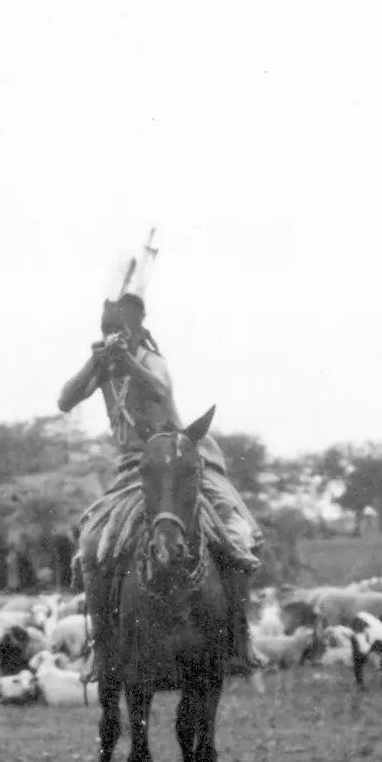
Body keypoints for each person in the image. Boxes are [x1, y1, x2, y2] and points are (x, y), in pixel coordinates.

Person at [58, 279, 263, 660]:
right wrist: (94, 362)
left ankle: (239, 637)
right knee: (90, 545)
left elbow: (160, 391)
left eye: (119, 329)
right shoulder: (104, 368)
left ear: (137, 329)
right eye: (107, 329)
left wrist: (129, 362)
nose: (112, 335)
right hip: (134, 467)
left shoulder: (150, 361)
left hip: (177, 457)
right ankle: (103, 649)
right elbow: (64, 401)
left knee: (238, 534)